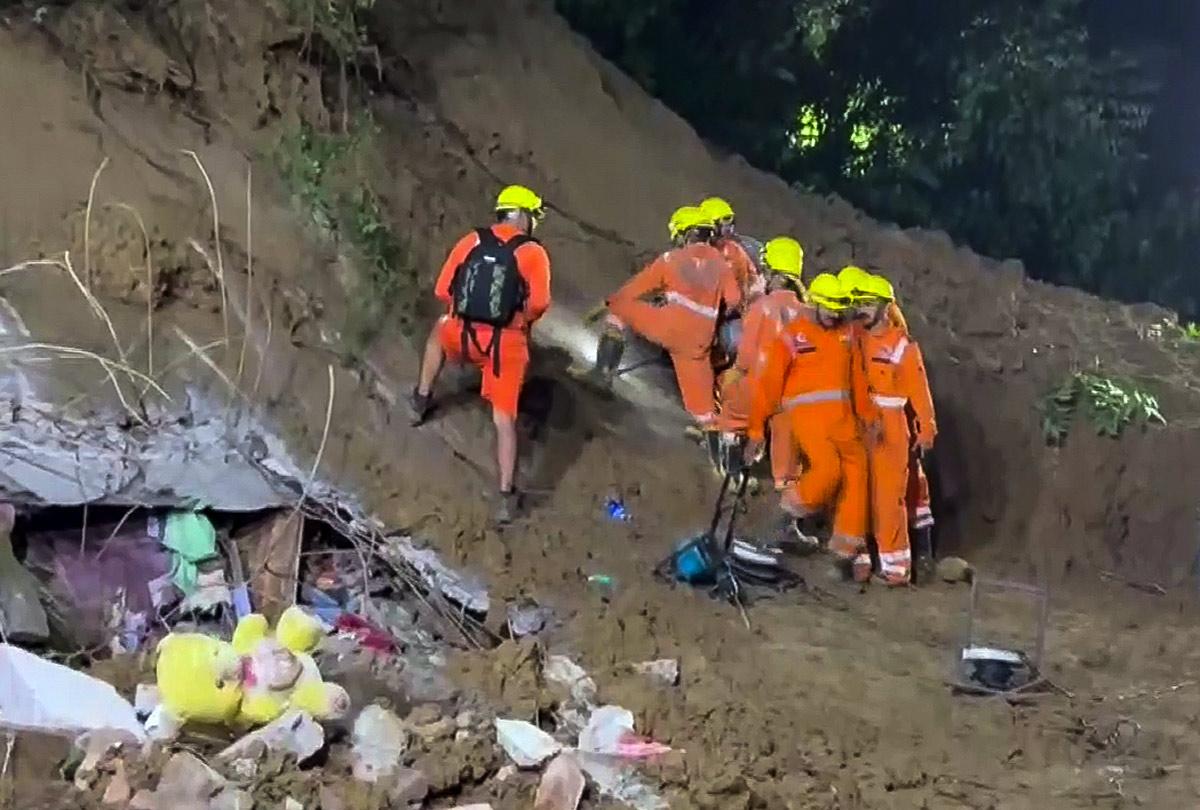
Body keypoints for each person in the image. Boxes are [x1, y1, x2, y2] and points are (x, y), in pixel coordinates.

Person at [408, 185, 551, 525]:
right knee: (504, 420)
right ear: (523, 215)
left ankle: (420, 401)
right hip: (504, 347)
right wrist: (518, 319)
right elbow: (541, 303)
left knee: (436, 334)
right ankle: (505, 497)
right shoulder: (533, 253)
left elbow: (442, 289)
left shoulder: (472, 240)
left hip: (460, 333)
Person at [746, 273, 874, 574]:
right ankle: (782, 516)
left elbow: (857, 377)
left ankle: (845, 548)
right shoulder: (793, 336)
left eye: (838, 307)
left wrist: (867, 414)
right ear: (814, 302)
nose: (833, 313)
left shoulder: (847, 335)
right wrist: (755, 431)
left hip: (843, 417)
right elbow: (769, 384)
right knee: (828, 470)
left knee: (858, 471)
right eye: (828, 306)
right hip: (808, 417)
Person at [594, 207, 742, 462]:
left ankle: (602, 375)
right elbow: (734, 300)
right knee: (705, 414)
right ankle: (725, 469)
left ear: (685, 234)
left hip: (669, 326)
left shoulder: (671, 259)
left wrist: (606, 303)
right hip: (698, 345)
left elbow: (636, 288)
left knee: (619, 310)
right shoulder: (722, 265)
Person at [841, 266, 937, 576]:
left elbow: (919, 392)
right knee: (857, 494)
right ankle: (860, 562)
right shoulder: (858, 338)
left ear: (885, 307)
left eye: (868, 303)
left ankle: (896, 569)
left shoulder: (902, 346)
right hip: (861, 423)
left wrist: (926, 430)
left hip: (893, 428)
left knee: (887, 500)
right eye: (860, 302)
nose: (862, 309)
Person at [716, 236, 806, 487]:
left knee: (731, 407)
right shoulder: (806, 312)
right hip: (788, 396)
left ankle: (732, 470)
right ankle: (774, 467)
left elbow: (745, 355)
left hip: (756, 385)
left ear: (776, 273)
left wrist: (734, 373)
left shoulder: (763, 306)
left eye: (767, 268)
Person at [700, 197, 762, 305]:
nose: (729, 229)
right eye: (724, 224)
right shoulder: (698, 252)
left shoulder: (740, 249)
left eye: (730, 223)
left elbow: (755, 281)